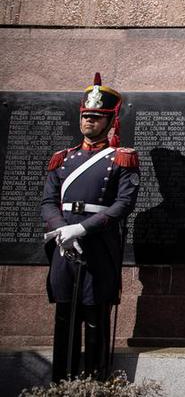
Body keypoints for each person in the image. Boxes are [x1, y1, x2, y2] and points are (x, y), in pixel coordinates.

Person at [42, 73, 139, 381]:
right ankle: (61, 382)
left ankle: (96, 383)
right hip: (63, 242)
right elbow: (48, 202)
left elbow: (123, 204)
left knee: (95, 312)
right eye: (86, 116)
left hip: (97, 244)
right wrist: (62, 229)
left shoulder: (121, 159)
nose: (89, 121)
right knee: (65, 314)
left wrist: (82, 229)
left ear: (110, 121)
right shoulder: (62, 159)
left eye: (96, 117)